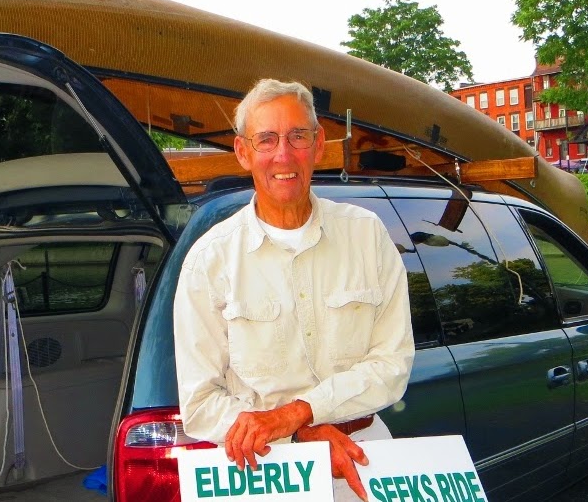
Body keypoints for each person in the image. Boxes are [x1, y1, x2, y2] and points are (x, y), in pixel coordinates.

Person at [173, 78, 415, 502]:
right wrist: (301, 437)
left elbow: (393, 364)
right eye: (266, 140)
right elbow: (199, 404)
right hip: (265, 472)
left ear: (319, 145)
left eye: (297, 136)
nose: (283, 155)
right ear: (243, 152)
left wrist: (298, 413)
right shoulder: (209, 260)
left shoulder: (368, 236)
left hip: (365, 457)